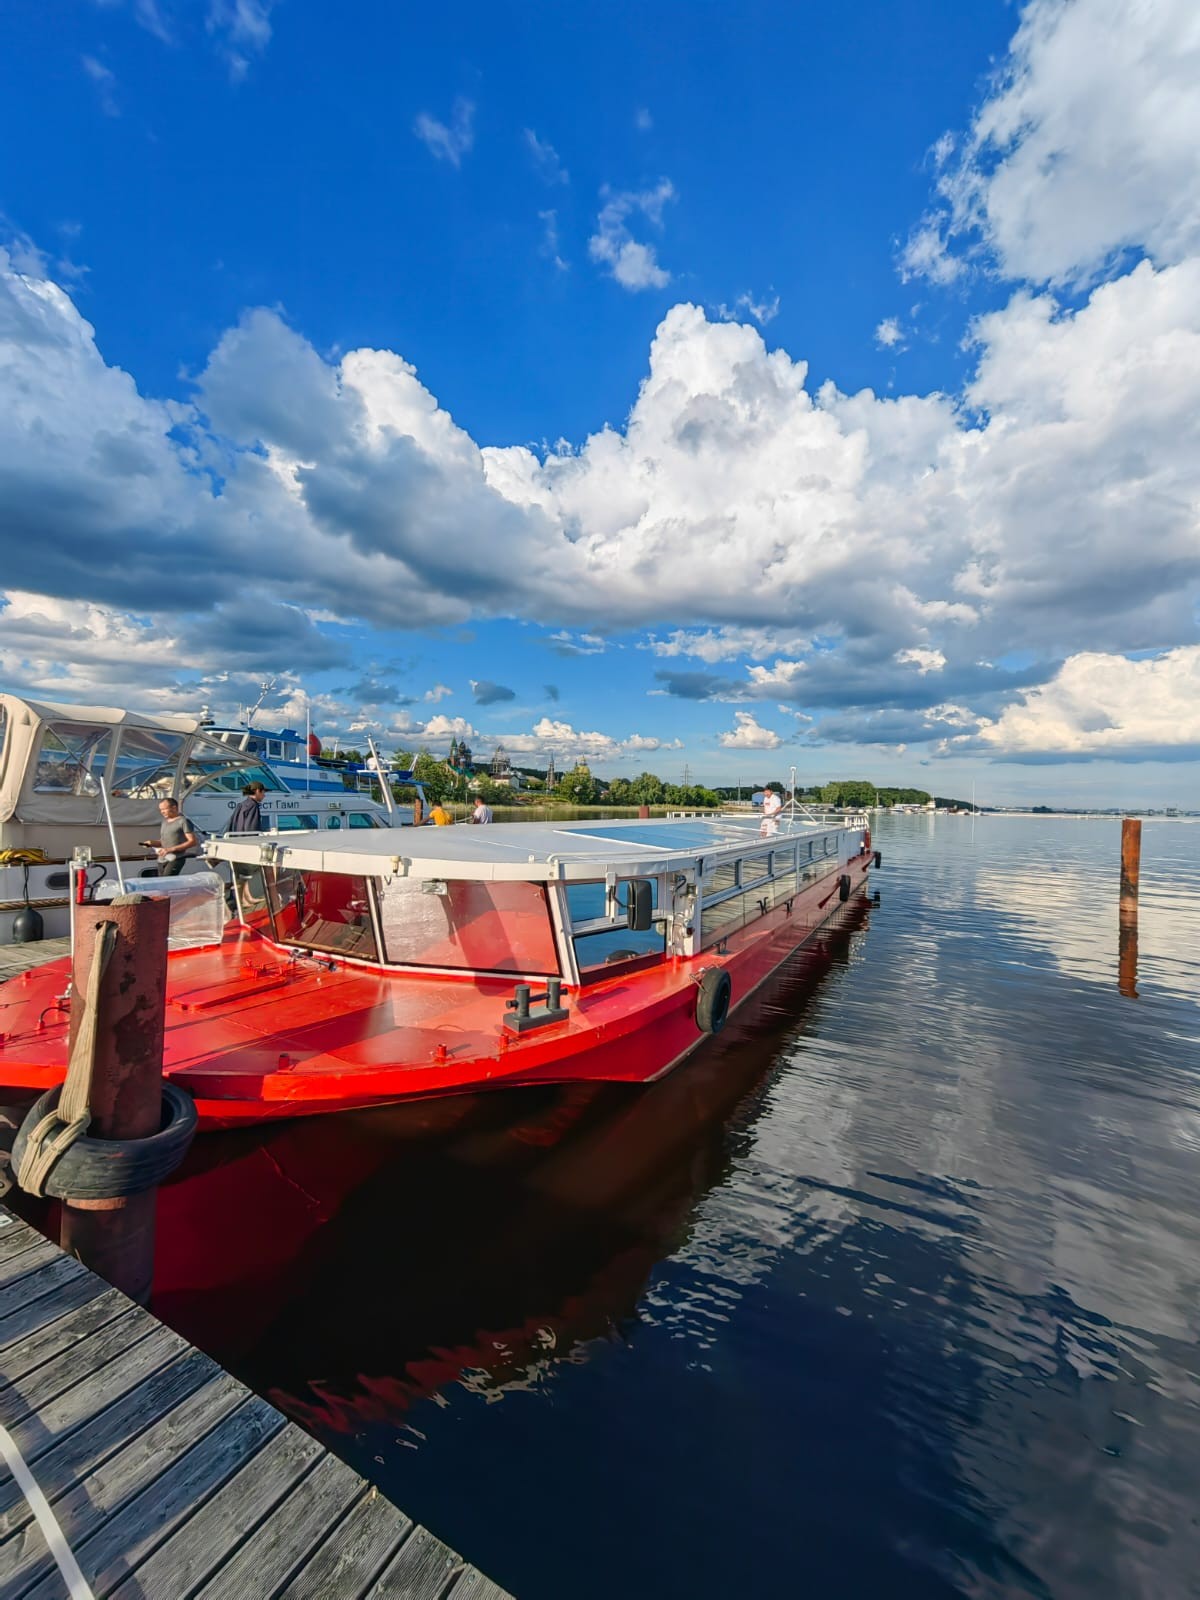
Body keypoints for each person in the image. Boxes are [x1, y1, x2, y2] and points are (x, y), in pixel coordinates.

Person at [154, 798, 199, 876]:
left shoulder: (183, 821)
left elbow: (192, 841)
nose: (162, 812)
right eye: (161, 810)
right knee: (160, 883)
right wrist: (152, 843)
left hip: (176, 858)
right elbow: (164, 841)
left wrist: (171, 849)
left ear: (174, 808)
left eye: (164, 809)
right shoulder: (164, 822)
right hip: (162, 859)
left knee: (167, 882)